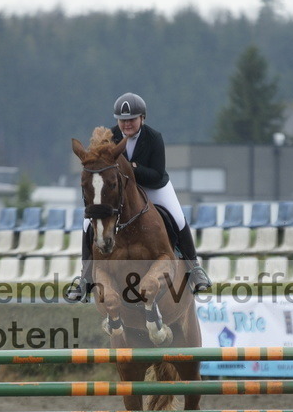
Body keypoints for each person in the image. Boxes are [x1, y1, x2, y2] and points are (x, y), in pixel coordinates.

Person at [68, 92, 212, 301]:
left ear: (142, 118)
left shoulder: (153, 138)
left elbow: (156, 173)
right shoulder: (110, 137)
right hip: (121, 190)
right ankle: (85, 277)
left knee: (177, 217)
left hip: (154, 185)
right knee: (87, 223)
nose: (127, 124)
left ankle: (194, 268)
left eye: (132, 119)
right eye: (123, 120)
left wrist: (133, 169)